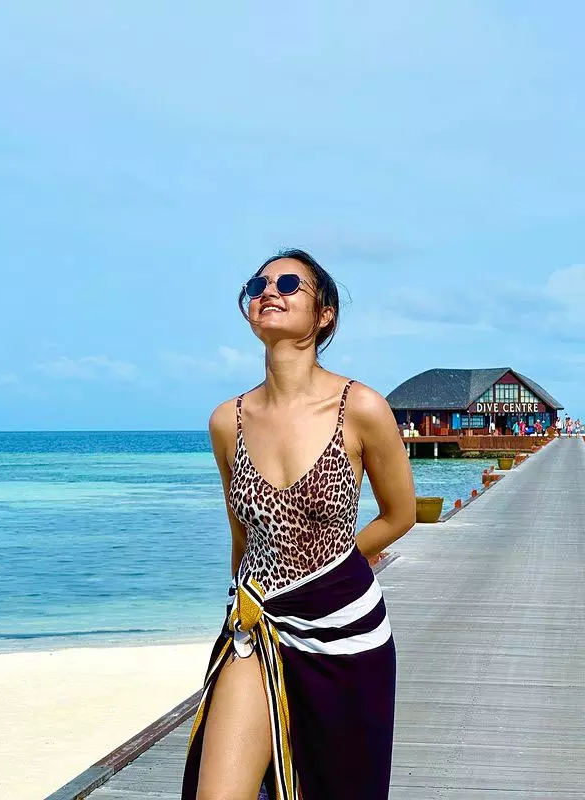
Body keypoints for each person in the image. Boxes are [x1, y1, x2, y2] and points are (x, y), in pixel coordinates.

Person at [181, 249, 416, 800]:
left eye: (289, 283)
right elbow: (242, 537)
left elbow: (400, 513)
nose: (269, 291)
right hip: (256, 625)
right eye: (257, 285)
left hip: (346, 631)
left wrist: (332, 565)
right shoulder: (227, 421)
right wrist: (236, 607)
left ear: (324, 313)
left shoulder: (360, 407)